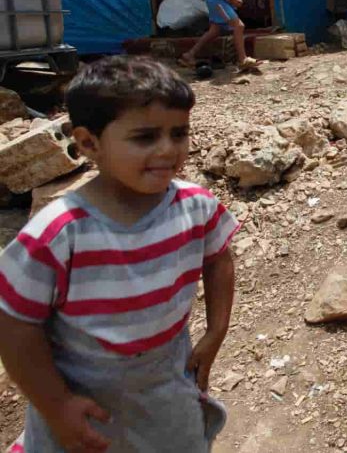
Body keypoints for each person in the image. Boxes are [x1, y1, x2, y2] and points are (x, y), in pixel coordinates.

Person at [0, 57, 239, 453]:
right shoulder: (59, 234)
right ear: (89, 143)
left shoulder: (197, 206)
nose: (168, 149)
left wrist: (215, 333)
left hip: (165, 390)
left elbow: (218, 258)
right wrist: (57, 406)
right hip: (83, 404)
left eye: (179, 133)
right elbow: (13, 322)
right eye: (145, 137)